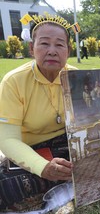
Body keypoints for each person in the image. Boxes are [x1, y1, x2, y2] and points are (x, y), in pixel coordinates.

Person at [0, 13, 79, 211]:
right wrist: (43, 168)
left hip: (67, 145)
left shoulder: (77, 77)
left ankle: (62, 184)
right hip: (32, 149)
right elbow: (7, 139)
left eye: (59, 45)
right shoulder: (14, 82)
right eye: (44, 44)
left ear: (68, 50)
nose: (52, 51)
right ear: (31, 48)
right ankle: (66, 186)